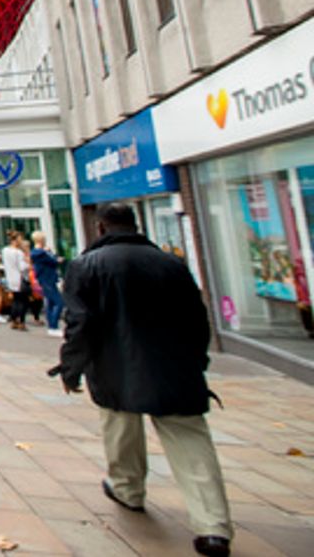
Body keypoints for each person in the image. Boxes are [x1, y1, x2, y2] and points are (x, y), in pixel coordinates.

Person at [52, 203, 232, 557]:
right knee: (191, 444)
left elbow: (80, 323)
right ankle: (213, 526)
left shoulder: (87, 265)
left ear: (100, 227)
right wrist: (198, 361)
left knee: (120, 432)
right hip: (175, 369)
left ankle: (128, 488)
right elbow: (198, 319)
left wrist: (70, 367)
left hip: (116, 368)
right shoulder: (172, 264)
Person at [31, 230, 64, 336]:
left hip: (45, 279)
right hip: (48, 278)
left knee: (50, 303)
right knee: (59, 302)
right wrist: (53, 256)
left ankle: (51, 326)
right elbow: (53, 261)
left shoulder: (37, 252)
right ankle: (53, 325)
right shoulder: (41, 253)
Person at [2, 229, 31, 331]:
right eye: (20, 239)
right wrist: (28, 263)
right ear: (16, 240)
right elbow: (22, 267)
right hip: (20, 278)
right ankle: (21, 321)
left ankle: (14, 319)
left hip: (11, 278)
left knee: (15, 300)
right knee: (23, 301)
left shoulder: (5, 250)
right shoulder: (18, 253)